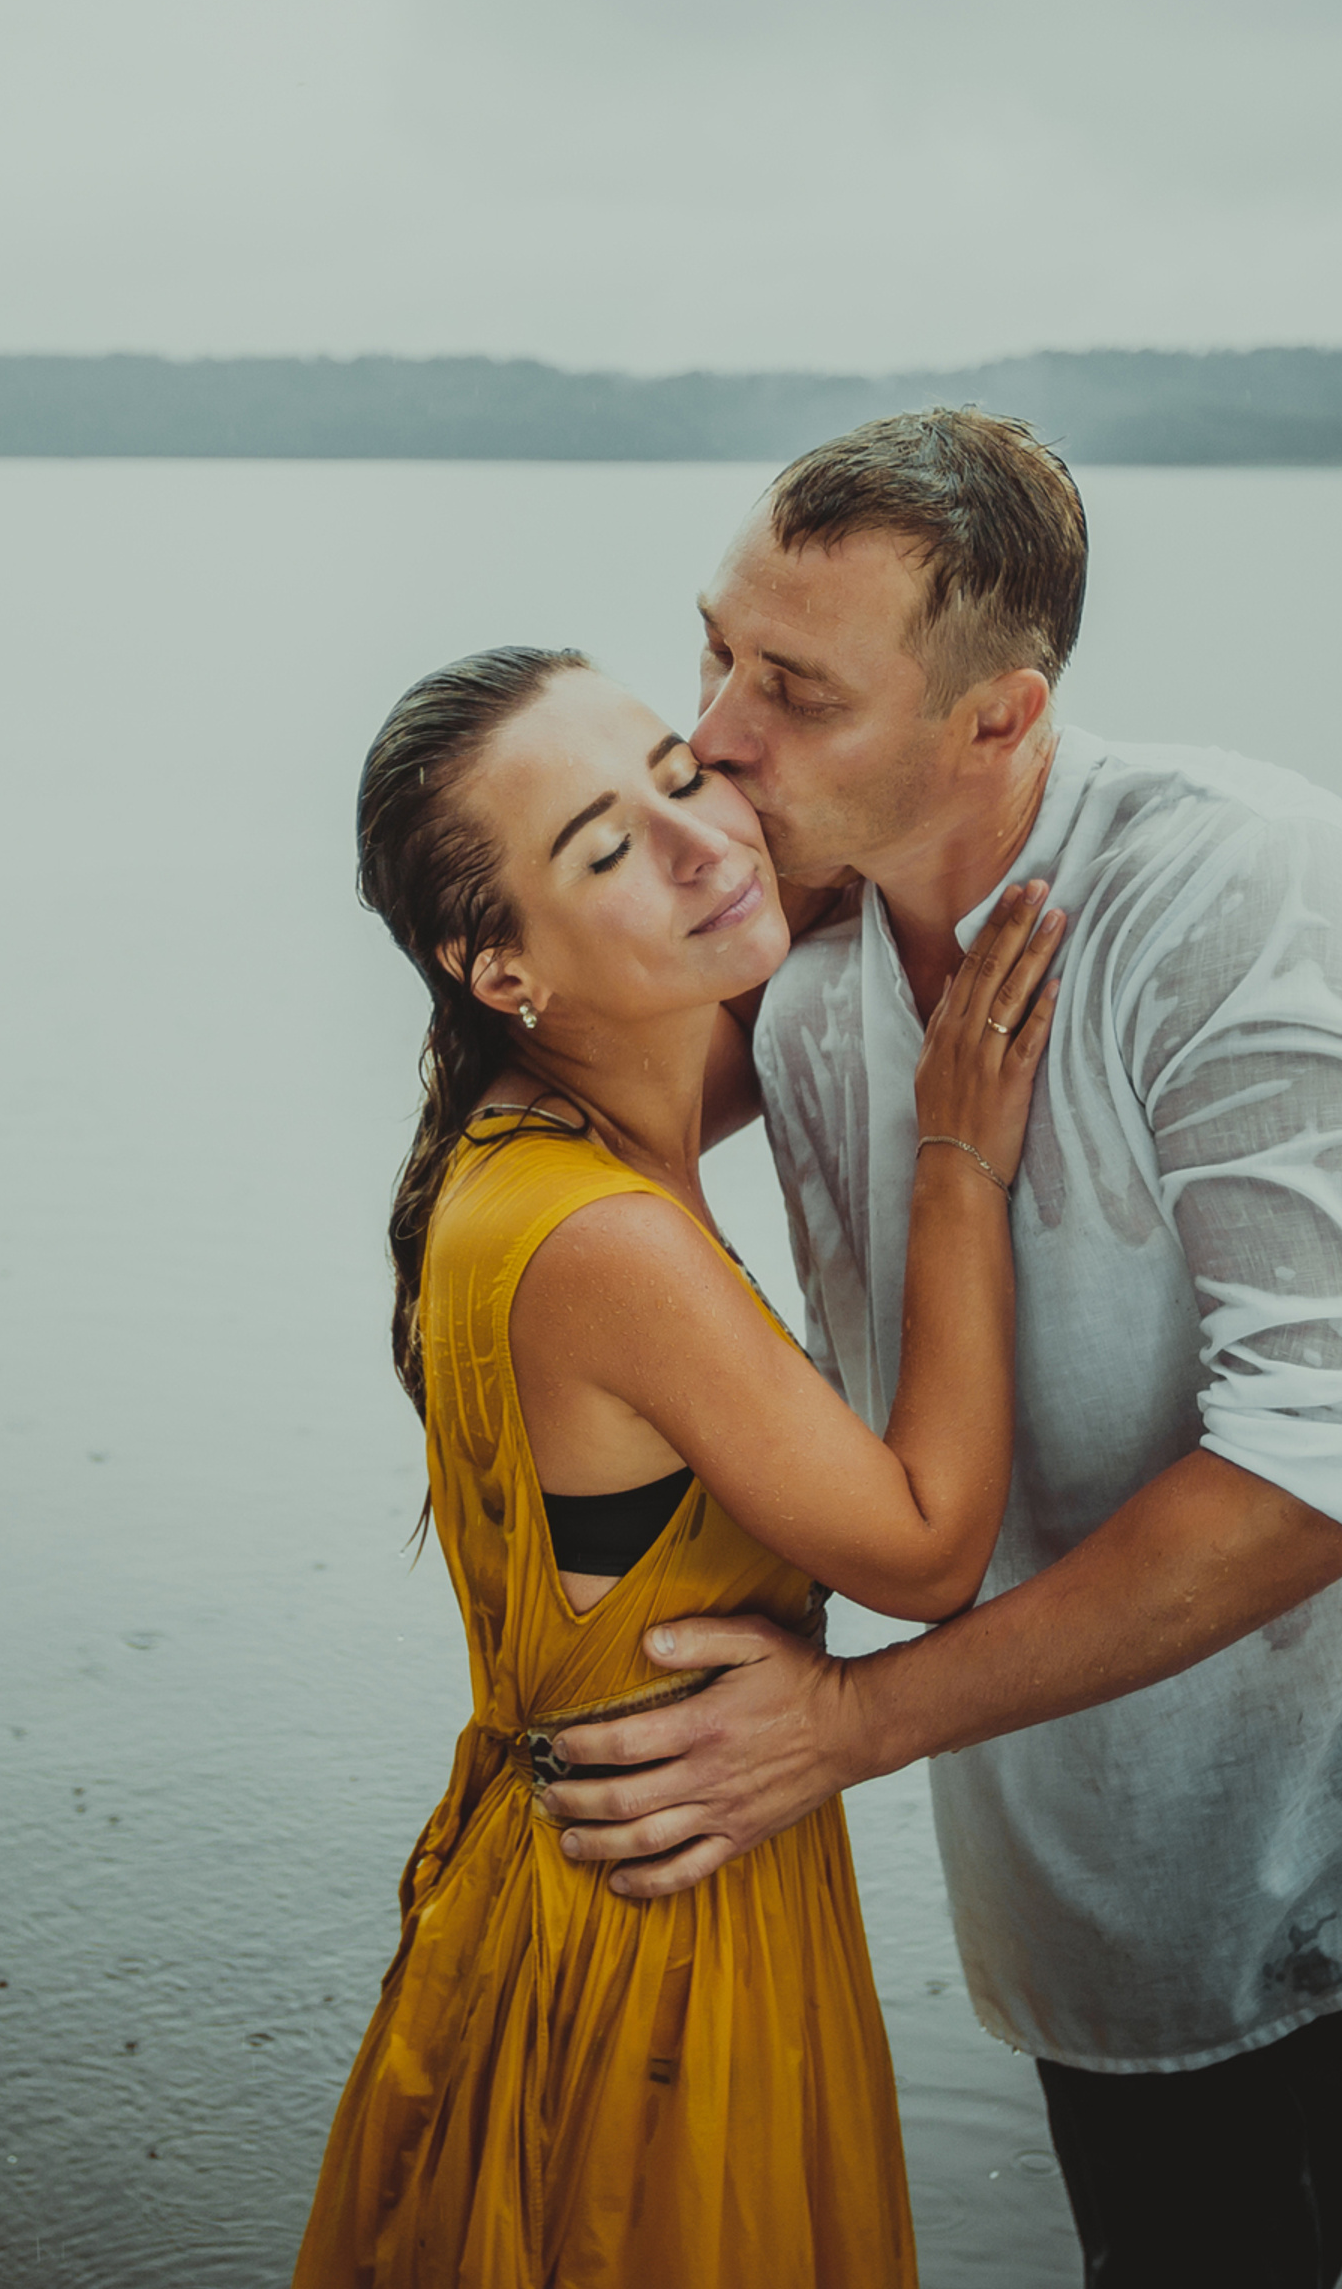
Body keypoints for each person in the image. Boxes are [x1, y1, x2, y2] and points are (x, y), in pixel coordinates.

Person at [536, 408, 1342, 2287]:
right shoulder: (805, 961)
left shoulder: (1251, 903)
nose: (720, 735)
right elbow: (568, 1117)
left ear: (998, 719)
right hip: (1109, 1925)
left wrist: (841, 1731)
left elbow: (1323, 1476)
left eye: (798, 691)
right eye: (716, 652)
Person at [293, 646, 1064, 2287]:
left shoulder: (539, 1130)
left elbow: (808, 958)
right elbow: (924, 1552)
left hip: (584, 1882)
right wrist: (958, 1163)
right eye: (604, 846)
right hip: (658, 1939)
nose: (704, 840)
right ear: (498, 963)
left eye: (680, 770)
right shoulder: (603, 1244)